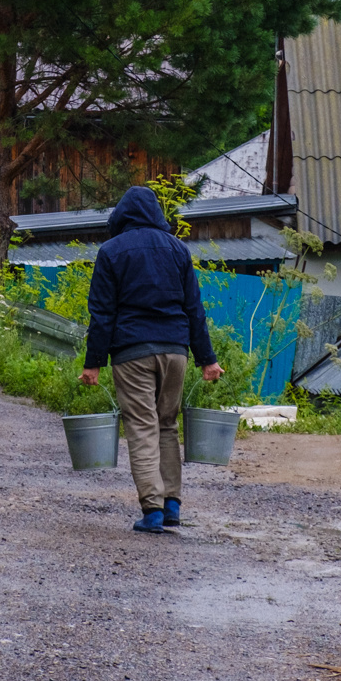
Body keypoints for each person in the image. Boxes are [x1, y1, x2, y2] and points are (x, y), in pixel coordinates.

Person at [79, 185, 223, 533]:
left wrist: (93, 362)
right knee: (167, 425)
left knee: (142, 427)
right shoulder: (178, 249)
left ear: (122, 215)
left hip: (132, 353)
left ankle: (153, 511)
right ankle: (171, 503)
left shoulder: (111, 251)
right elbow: (194, 310)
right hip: (176, 352)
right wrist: (208, 359)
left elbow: (102, 313)